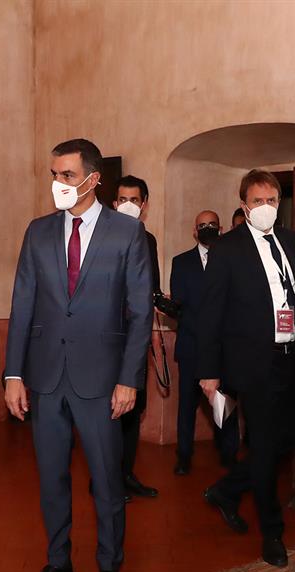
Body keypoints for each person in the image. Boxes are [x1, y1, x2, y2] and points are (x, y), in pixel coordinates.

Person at [4, 138, 151, 572]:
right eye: (54, 175)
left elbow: (139, 313)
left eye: (67, 175)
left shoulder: (127, 235)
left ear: (93, 178)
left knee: (107, 481)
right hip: (45, 378)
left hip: (102, 381)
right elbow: (22, 303)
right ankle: (58, 564)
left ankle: (109, 566)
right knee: (51, 479)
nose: (58, 184)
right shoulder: (38, 231)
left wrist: (129, 378)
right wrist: (12, 374)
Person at [198, 169, 295, 568]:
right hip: (253, 361)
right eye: (257, 201)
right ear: (244, 205)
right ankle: (273, 533)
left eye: (271, 201)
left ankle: (227, 489)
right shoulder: (227, 249)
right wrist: (209, 371)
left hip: (290, 356)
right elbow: (210, 314)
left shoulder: (289, 240)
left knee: (287, 440)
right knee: (265, 446)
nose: (265, 208)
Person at [170, 210, 238, 475]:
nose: (207, 228)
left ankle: (229, 453)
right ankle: (183, 456)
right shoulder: (181, 262)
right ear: (194, 230)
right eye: (202, 225)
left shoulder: (231, 261)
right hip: (191, 346)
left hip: (223, 350)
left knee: (224, 405)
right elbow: (180, 305)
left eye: (212, 224)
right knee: (187, 405)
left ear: (220, 228)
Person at [111, 175, 160, 500]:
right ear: (114, 203)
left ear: (143, 205)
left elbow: (149, 288)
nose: (128, 204)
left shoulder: (149, 240)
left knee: (133, 410)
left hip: (136, 338)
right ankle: (105, 480)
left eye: (134, 199)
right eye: (122, 199)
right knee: (107, 413)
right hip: (106, 338)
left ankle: (126, 475)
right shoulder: (100, 236)